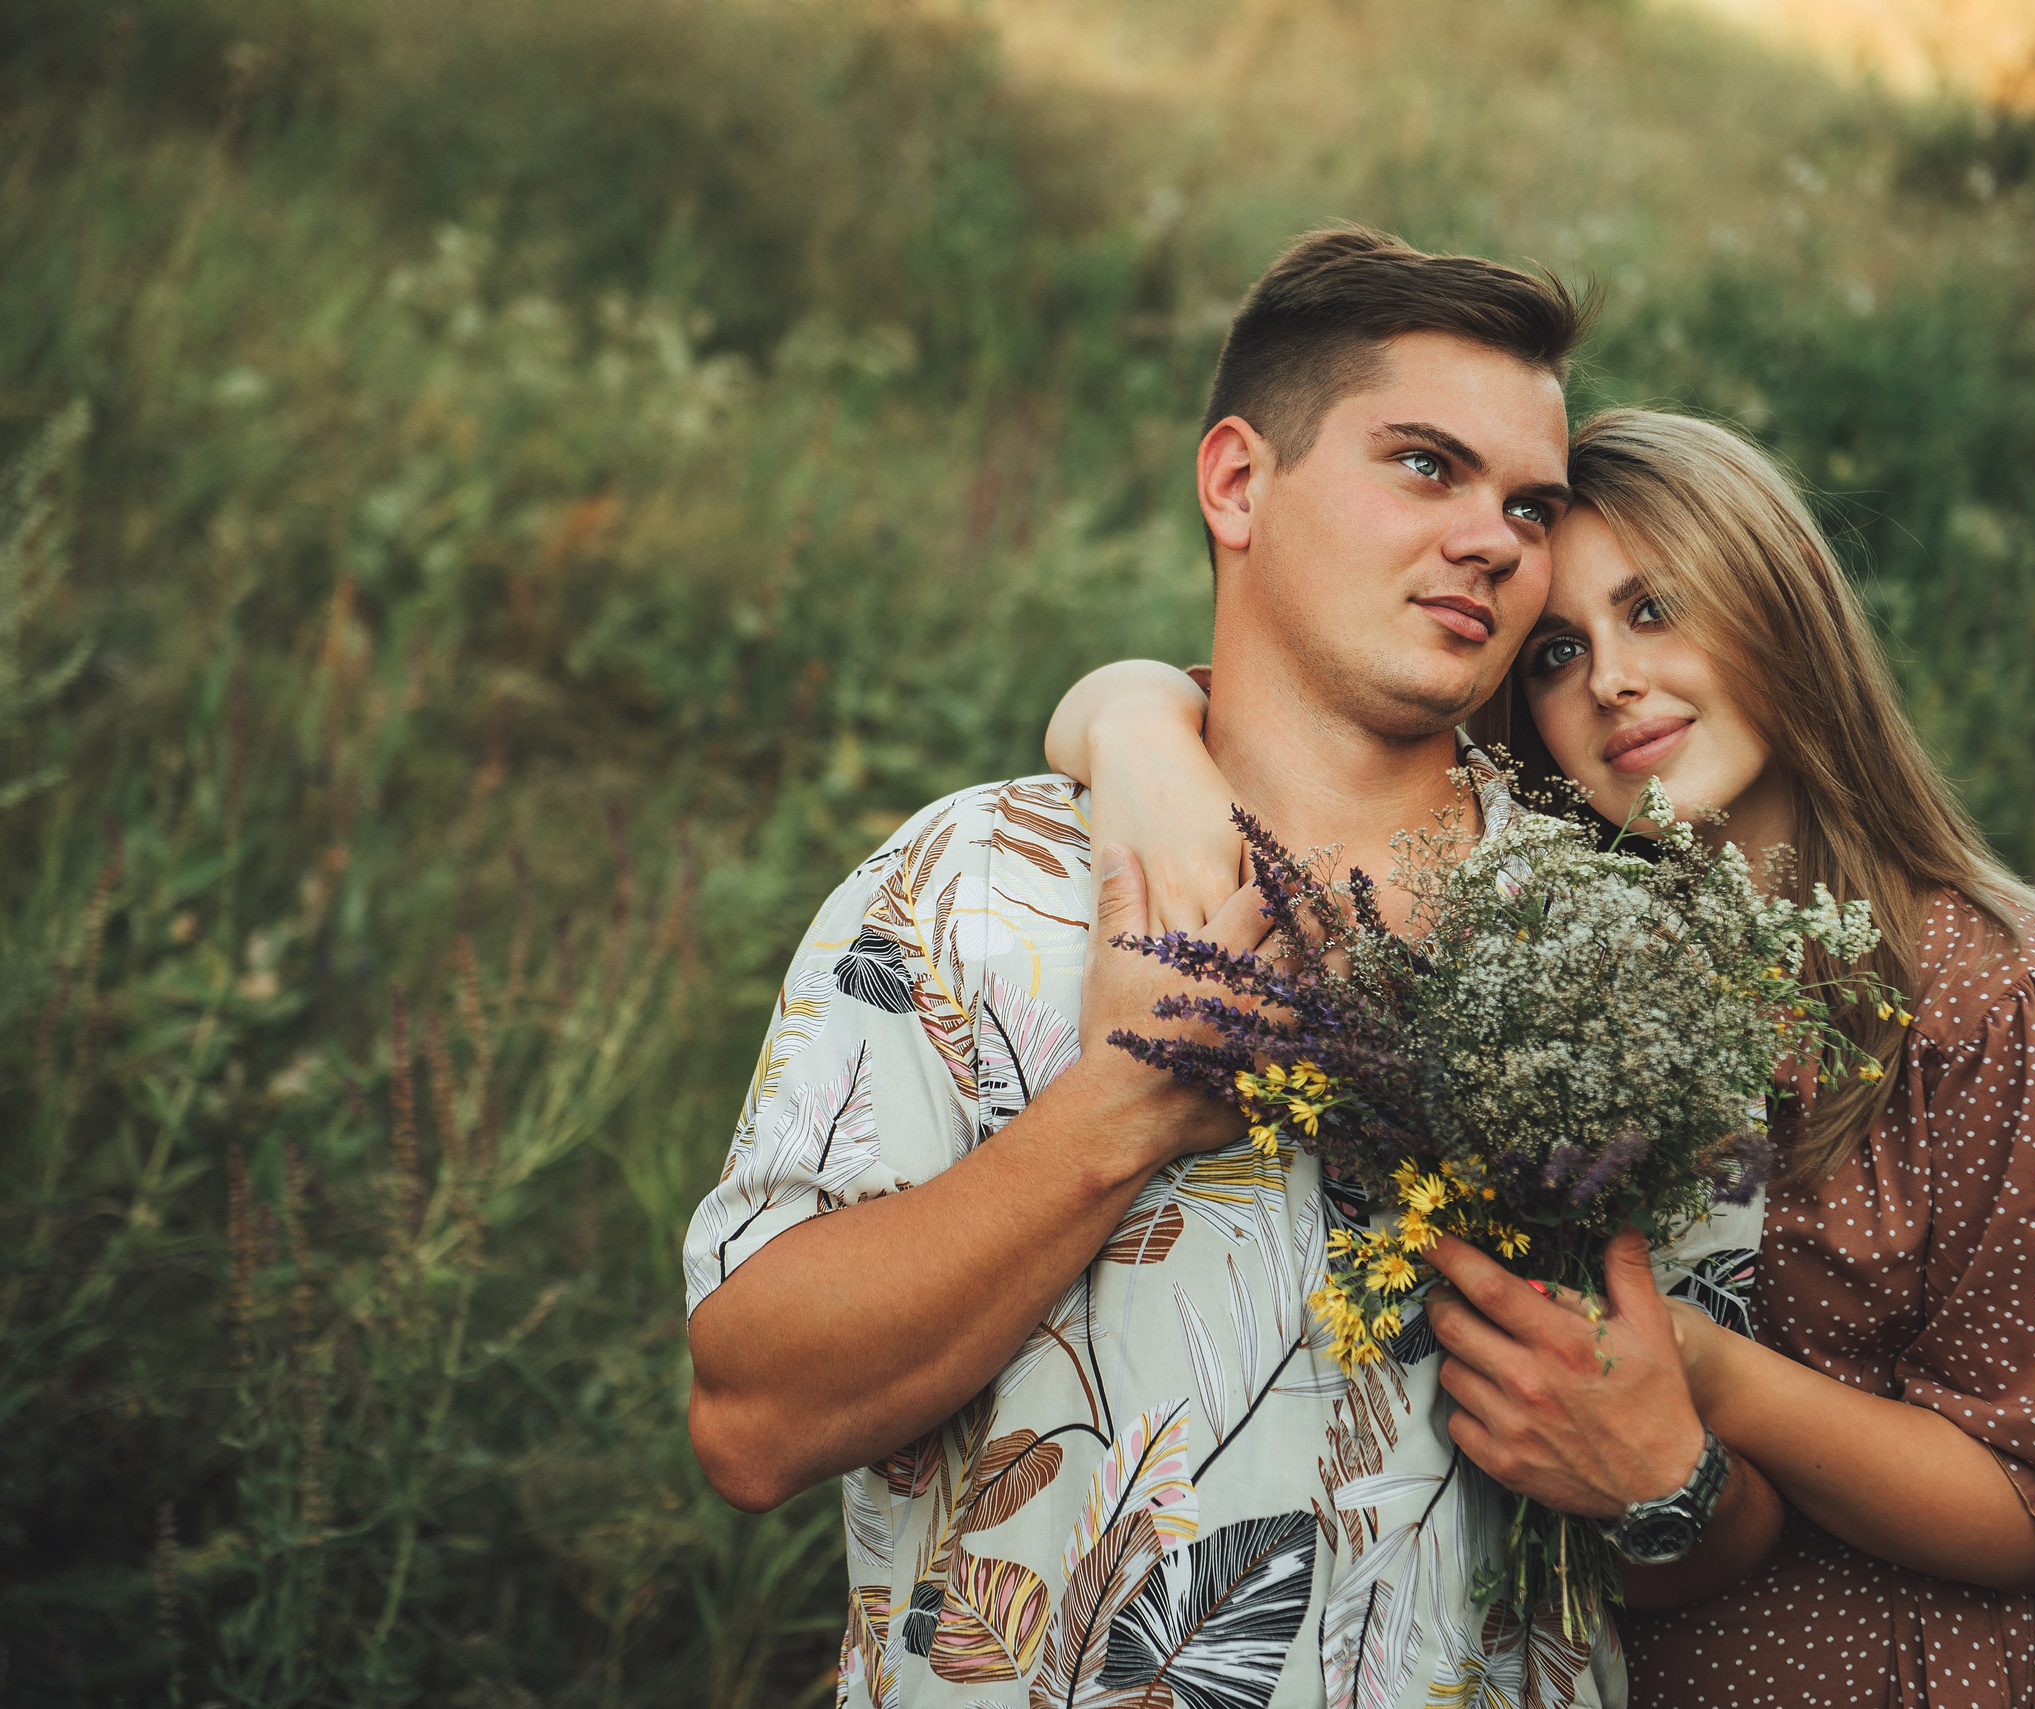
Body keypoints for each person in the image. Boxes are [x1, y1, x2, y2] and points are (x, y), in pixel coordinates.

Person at [680, 229, 1767, 1709]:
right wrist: (1120, 1108)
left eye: (1530, 504)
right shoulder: (978, 881)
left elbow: (1730, 1526)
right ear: (1238, 482)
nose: (1498, 541)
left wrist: (1670, 1483)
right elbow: (750, 1419)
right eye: (1426, 467)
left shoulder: (1625, 948)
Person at [1044, 408, 2035, 1706]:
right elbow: (1232, 705)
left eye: (1658, 611)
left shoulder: (1983, 992)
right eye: (1556, 653)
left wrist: (1698, 1374)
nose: (1612, 682)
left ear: (1782, 606)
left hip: (1915, 1674)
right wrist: (1133, 725)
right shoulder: (1542, 950)